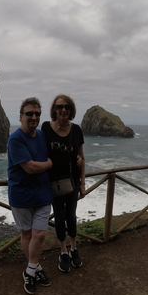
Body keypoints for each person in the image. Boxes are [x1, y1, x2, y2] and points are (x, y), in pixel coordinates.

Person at [7, 97, 53, 295]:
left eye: (37, 114)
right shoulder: (15, 139)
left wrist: (75, 157)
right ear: (20, 116)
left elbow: (58, 150)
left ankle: (30, 271)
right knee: (27, 234)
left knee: (40, 234)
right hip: (21, 195)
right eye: (29, 114)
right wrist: (49, 165)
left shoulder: (42, 135)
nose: (33, 117)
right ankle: (36, 268)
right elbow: (31, 167)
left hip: (42, 194)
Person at [41, 94, 86, 273]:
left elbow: (82, 157)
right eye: (60, 107)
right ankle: (63, 251)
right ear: (54, 110)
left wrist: (82, 183)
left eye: (67, 107)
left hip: (72, 181)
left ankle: (74, 248)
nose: (63, 110)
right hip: (53, 182)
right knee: (59, 217)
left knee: (71, 216)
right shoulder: (45, 127)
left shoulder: (76, 130)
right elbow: (38, 149)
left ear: (71, 110)